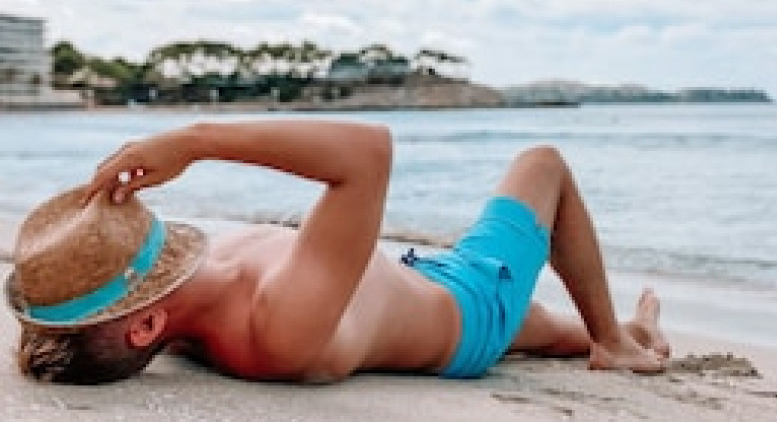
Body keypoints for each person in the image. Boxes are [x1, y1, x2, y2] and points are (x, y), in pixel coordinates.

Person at [9, 119, 668, 384]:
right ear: (145, 324)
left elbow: (87, 342)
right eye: (110, 258)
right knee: (543, 163)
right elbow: (366, 154)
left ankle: (630, 330)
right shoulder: (273, 328)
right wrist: (197, 141)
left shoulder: (183, 313)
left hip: (420, 285)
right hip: (471, 308)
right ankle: (615, 341)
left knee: (559, 334)